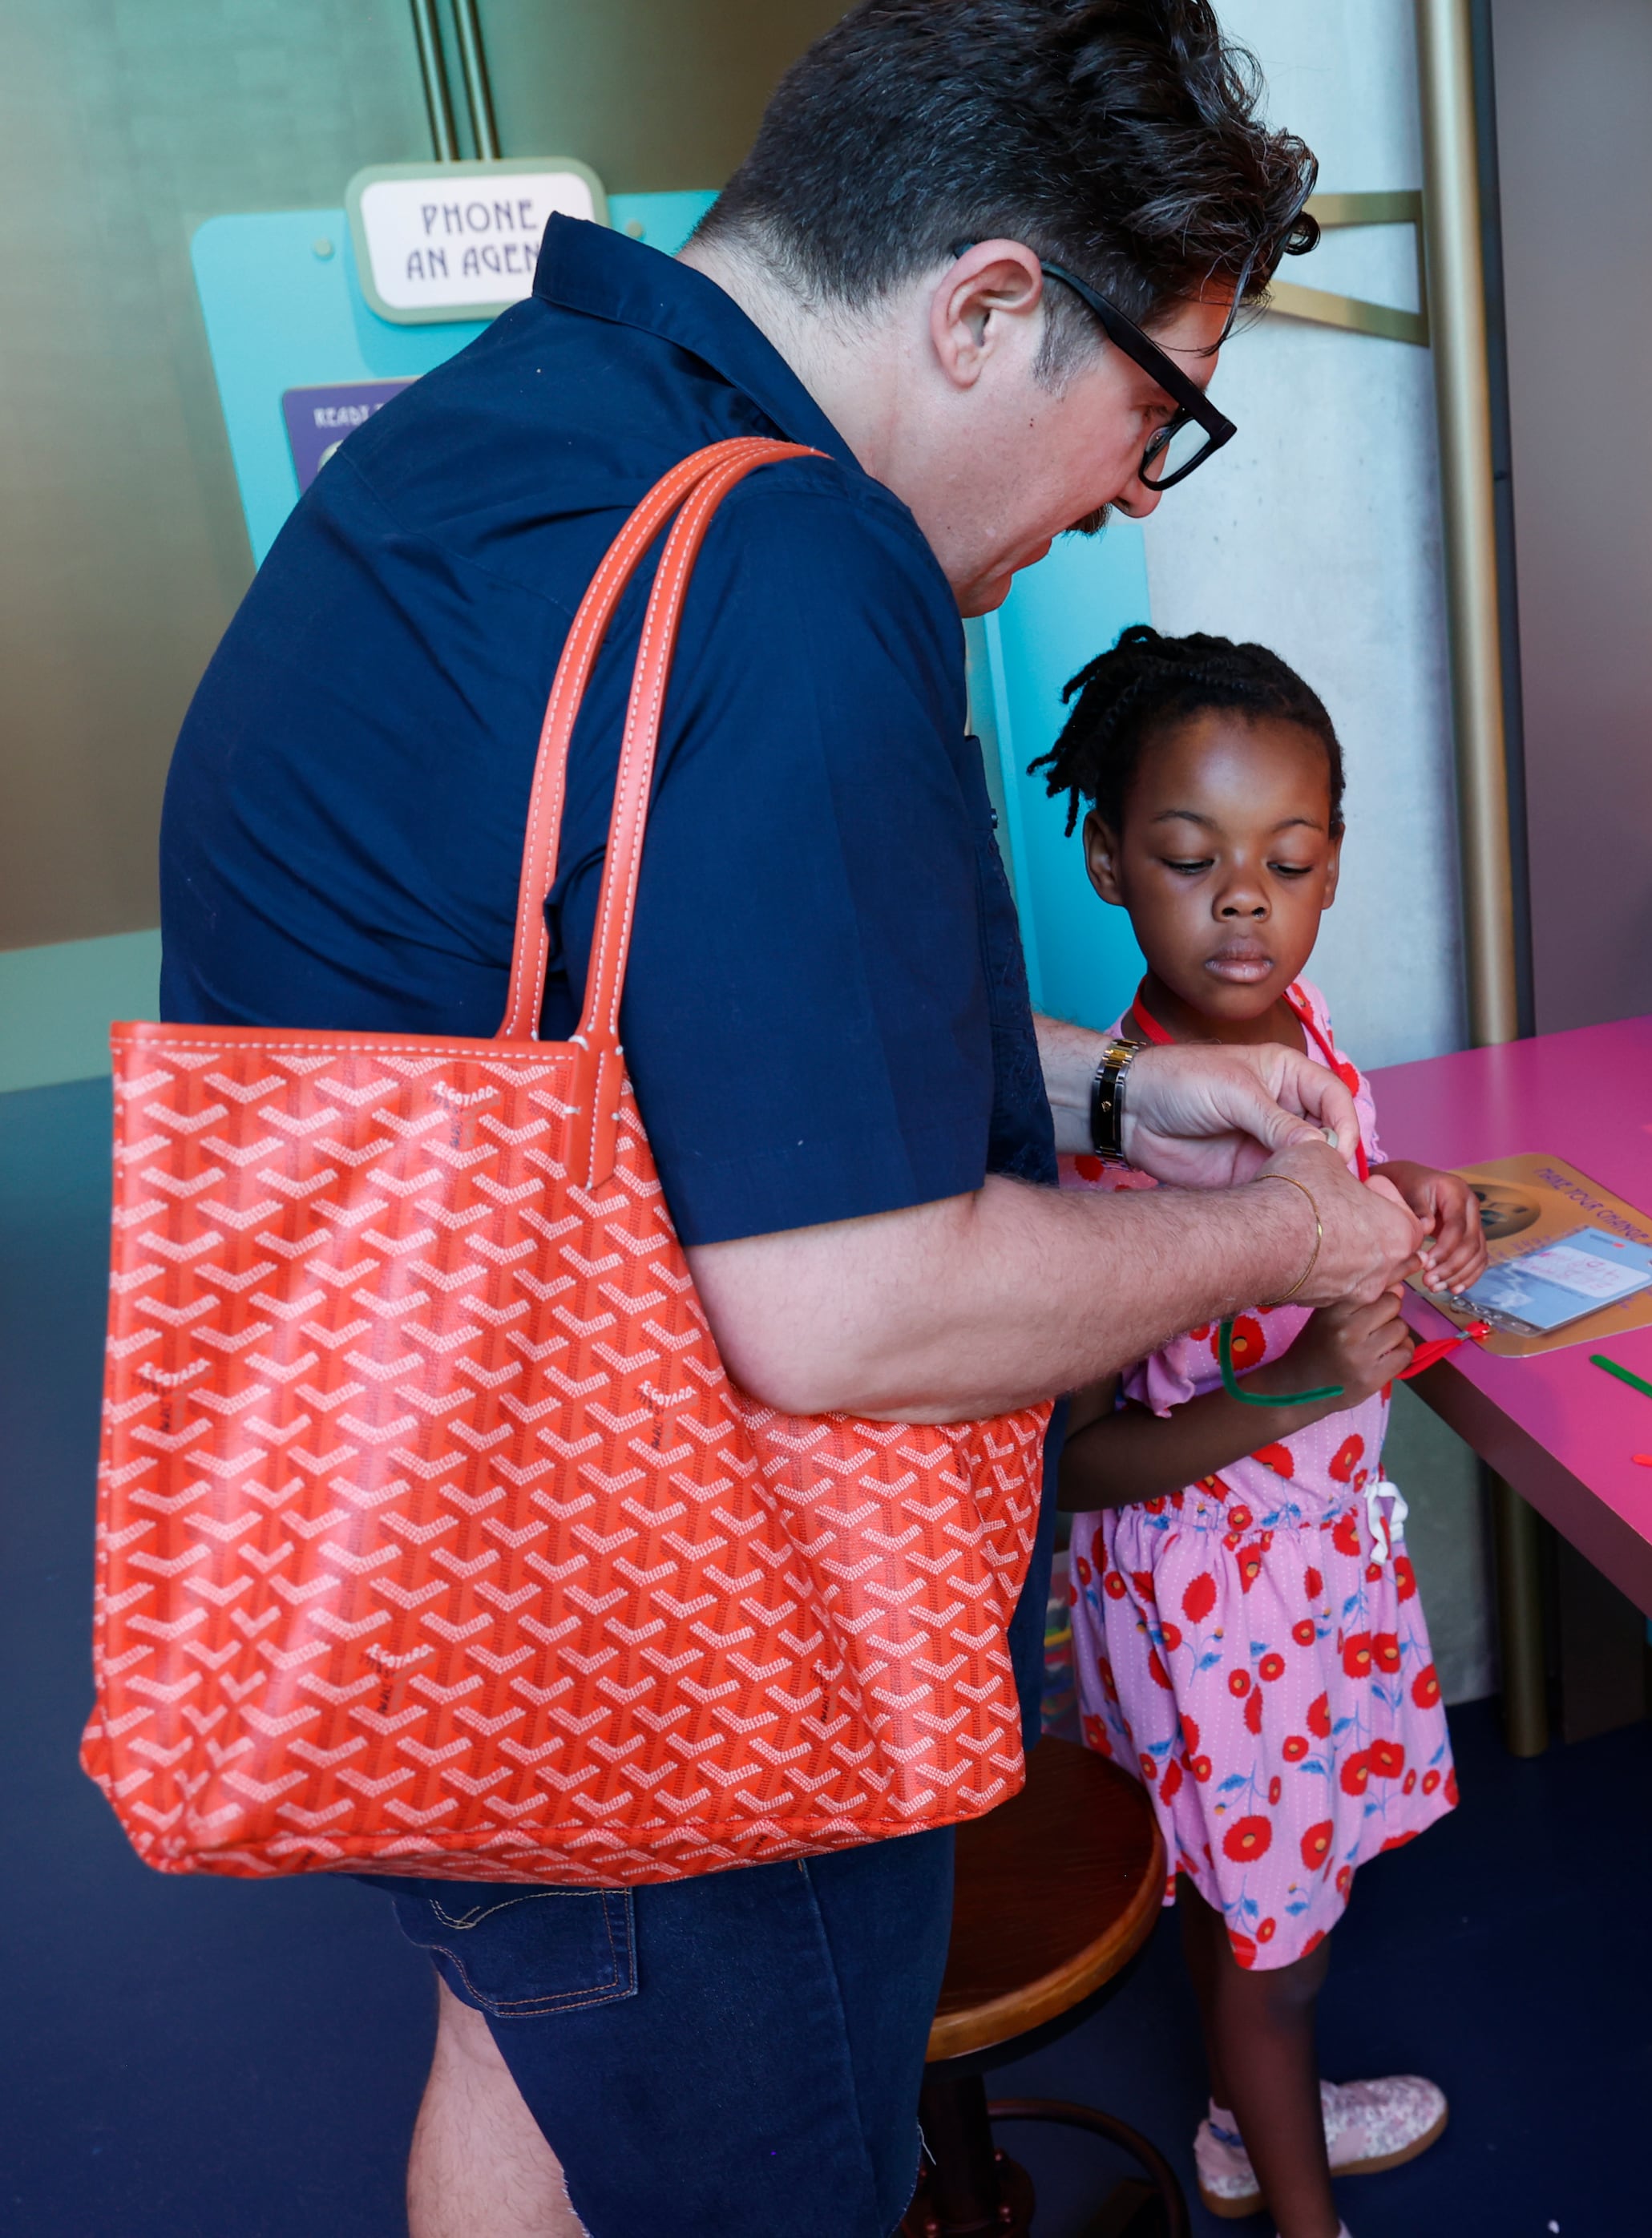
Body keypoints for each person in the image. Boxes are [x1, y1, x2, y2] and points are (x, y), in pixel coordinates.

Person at [151, 6, 1428, 2235]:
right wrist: (1305, 1241)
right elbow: (850, 1313)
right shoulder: (790, 568)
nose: (1136, 487)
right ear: (990, 306)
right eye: (1157, 411)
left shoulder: (511, 449)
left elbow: (661, 1023)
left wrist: (1119, 1082)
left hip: (441, 1599)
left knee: (518, 2066)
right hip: (678, 1661)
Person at [1034, 627, 1484, 2236]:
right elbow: (1071, 1472)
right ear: (1103, 858)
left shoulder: (1299, 1029)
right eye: (1190, 856)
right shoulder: (1115, 1139)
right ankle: (1297, 2205)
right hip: (1218, 1612)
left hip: (1314, 1584)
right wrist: (1290, 1390)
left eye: (1288, 860)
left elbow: (1332, 1180)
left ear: (1332, 866)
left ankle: (1242, 2119)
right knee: (1269, 1952)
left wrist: (1402, 1182)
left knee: (1285, 1905)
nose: (1245, 898)